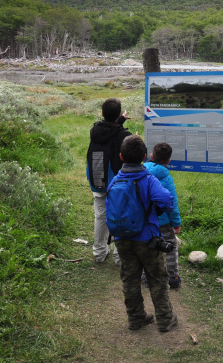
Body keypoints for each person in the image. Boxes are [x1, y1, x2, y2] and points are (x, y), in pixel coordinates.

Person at [108, 135, 178, 332]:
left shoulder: (114, 180)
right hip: (147, 239)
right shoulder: (148, 180)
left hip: (121, 238)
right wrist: (154, 211)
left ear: (121, 156)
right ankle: (164, 320)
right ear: (145, 156)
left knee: (129, 279)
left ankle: (136, 318)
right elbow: (166, 200)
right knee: (157, 278)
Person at [86, 98, 131, 264]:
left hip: (97, 178)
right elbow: (118, 135)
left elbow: (109, 129)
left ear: (102, 113)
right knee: (120, 216)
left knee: (100, 217)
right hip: (118, 183)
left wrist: (120, 119)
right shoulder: (124, 135)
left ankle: (99, 253)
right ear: (118, 113)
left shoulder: (96, 130)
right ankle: (119, 257)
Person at [142, 142, 182, 290]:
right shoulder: (167, 178)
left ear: (151, 156)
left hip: (146, 220)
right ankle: (173, 278)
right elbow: (173, 203)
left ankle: (146, 277)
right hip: (164, 221)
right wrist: (176, 223)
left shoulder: (142, 172)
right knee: (170, 247)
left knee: (149, 247)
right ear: (169, 161)